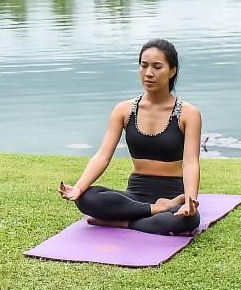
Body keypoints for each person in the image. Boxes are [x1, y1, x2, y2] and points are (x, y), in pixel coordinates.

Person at [58, 38, 202, 235]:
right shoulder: (123, 110)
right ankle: (156, 210)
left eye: (157, 67)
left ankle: (124, 223)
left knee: (188, 220)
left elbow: (191, 162)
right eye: (144, 66)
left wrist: (189, 200)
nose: (148, 73)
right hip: (136, 194)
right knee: (88, 198)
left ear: (172, 71)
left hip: (173, 193)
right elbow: (103, 155)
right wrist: (79, 188)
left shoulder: (188, 113)